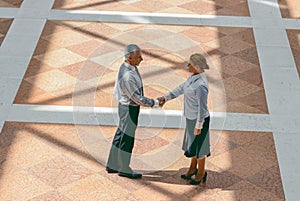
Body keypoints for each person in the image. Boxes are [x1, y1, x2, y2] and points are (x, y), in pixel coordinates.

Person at [106, 44, 159, 179]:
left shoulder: (127, 66)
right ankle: (124, 168)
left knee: (120, 134)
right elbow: (137, 98)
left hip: (125, 107)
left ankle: (112, 164)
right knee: (127, 139)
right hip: (129, 109)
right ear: (129, 58)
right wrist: (154, 103)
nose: (142, 59)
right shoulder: (128, 76)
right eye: (138, 57)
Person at [158, 53, 210, 186]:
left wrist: (199, 126)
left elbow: (202, 109)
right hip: (191, 118)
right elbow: (181, 88)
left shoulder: (201, 86)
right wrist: (166, 97)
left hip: (199, 120)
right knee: (192, 145)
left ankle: (201, 173)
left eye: (190, 64)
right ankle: (193, 168)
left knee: (200, 147)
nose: (188, 66)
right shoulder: (193, 78)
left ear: (197, 67)